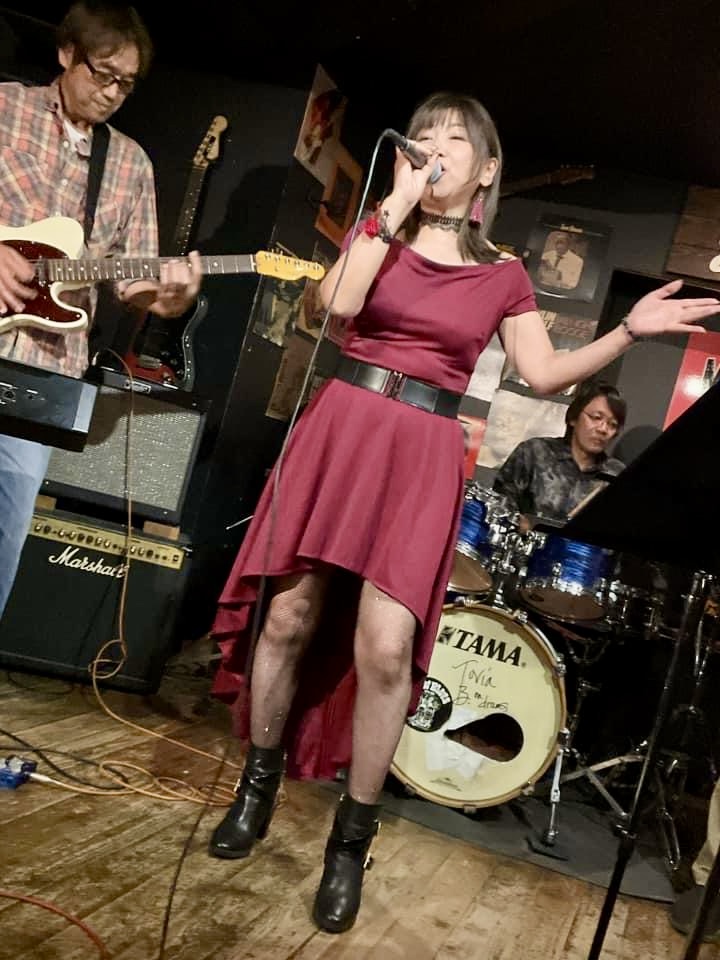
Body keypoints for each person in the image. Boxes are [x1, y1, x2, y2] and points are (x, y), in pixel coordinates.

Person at [206, 91, 719, 934]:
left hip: (422, 449)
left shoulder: (503, 274)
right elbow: (336, 309)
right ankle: (255, 787)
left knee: (385, 646)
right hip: (344, 424)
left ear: (486, 170)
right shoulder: (379, 230)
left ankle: (350, 841)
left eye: (455, 138)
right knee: (290, 615)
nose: (434, 147)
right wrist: (392, 207)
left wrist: (629, 331)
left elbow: (545, 376)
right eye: (425, 134)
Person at [0, 1, 202, 618]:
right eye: (103, 74)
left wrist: (168, 297)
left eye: (127, 83)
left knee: (5, 533)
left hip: (44, 370)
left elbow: (132, 278)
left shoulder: (131, 164)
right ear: (68, 53)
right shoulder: (5, 108)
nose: (113, 93)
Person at [492, 380, 627, 528]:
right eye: (596, 418)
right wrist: (520, 523)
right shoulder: (535, 452)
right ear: (574, 418)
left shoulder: (615, 474)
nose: (603, 429)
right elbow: (499, 506)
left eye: (612, 425)